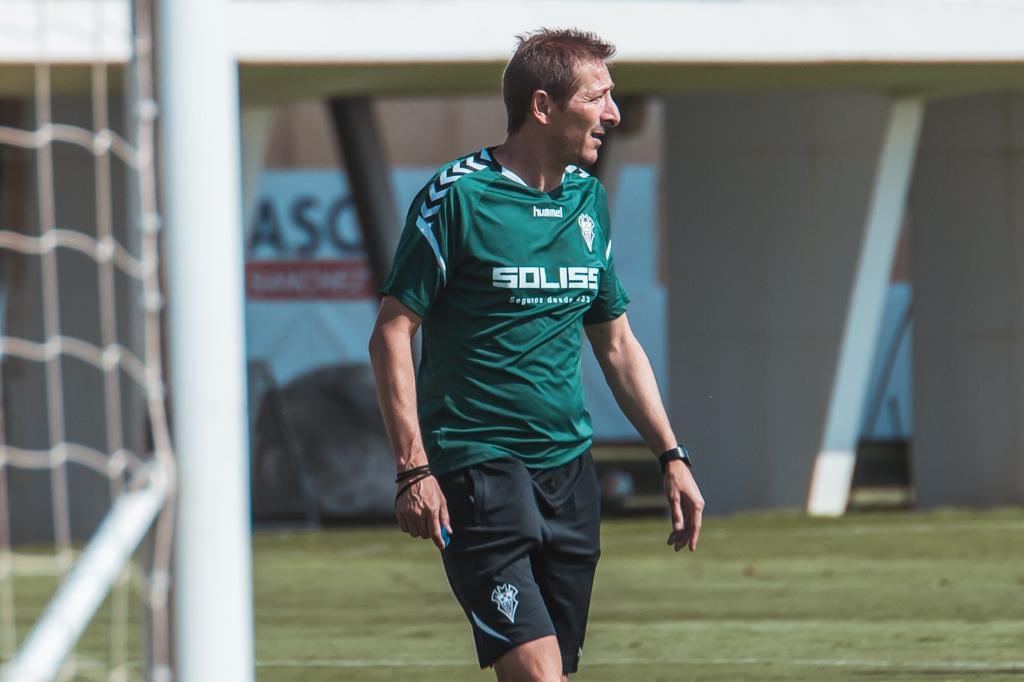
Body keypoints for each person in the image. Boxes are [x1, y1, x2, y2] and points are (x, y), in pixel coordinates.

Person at [368, 27, 705, 682]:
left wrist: (671, 454)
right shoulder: (458, 197)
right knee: (538, 675)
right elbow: (391, 330)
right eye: (599, 97)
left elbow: (616, 340)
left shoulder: (588, 201)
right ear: (544, 106)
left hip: (568, 473)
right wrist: (413, 470)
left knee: (555, 669)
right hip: (478, 469)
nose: (614, 113)